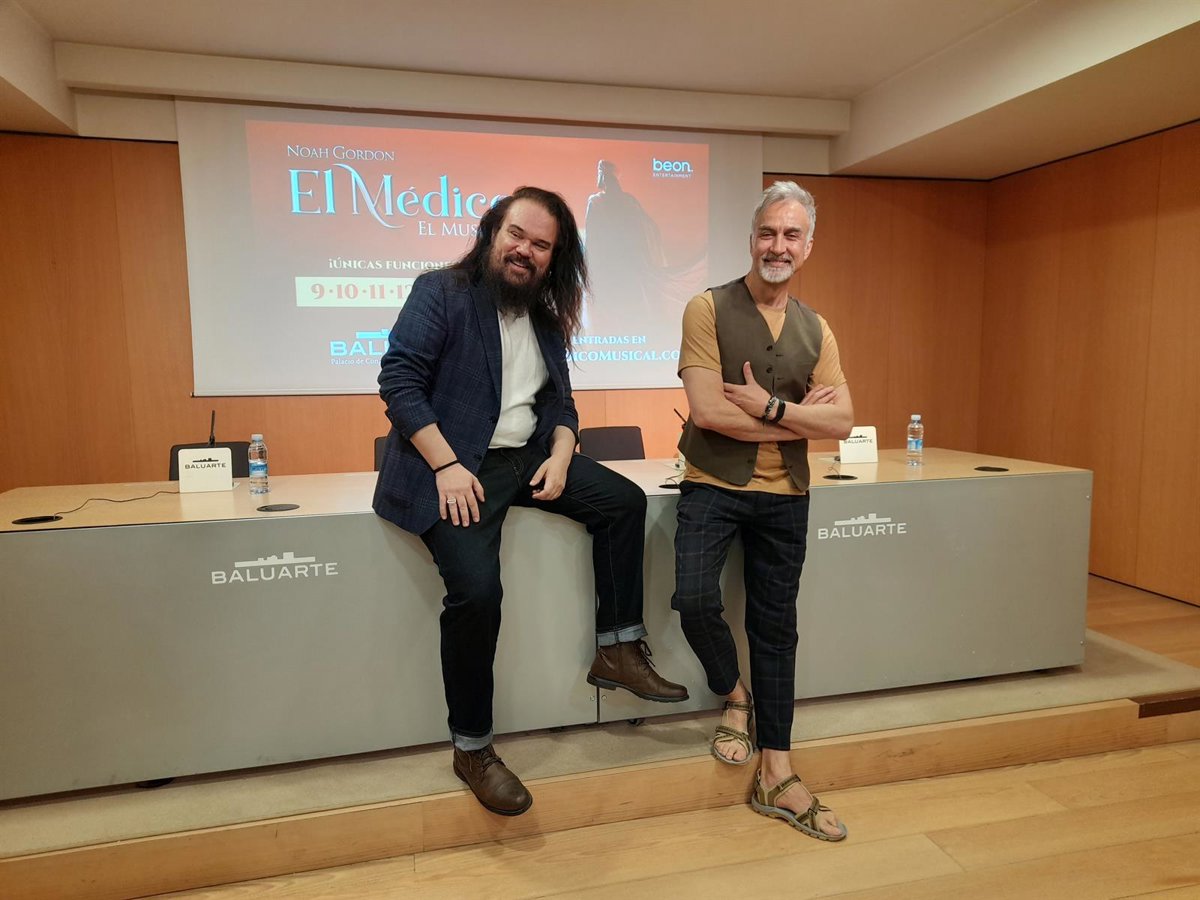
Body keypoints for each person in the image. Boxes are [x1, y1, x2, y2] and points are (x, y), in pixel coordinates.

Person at [373, 186, 688, 817]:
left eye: (541, 245)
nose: (525, 251)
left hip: (525, 459)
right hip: (453, 466)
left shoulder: (544, 316)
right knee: (477, 593)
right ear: (493, 232)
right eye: (517, 235)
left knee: (624, 502)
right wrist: (447, 465)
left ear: (553, 258)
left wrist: (564, 451)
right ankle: (472, 748)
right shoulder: (441, 292)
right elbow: (399, 382)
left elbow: (561, 405)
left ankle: (618, 648)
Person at [672, 181, 853, 841]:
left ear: (808, 246)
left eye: (791, 235)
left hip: (786, 497)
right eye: (768, 233)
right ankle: (734, 695)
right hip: (712, 483)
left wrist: (771, 407)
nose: (779, 246)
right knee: (694, 600)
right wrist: (803, 419)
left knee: (776, 630)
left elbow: (844, 420)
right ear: (752, 239)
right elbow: (707, 412)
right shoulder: (706, 308)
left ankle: (777, 770)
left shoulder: (817, 328)